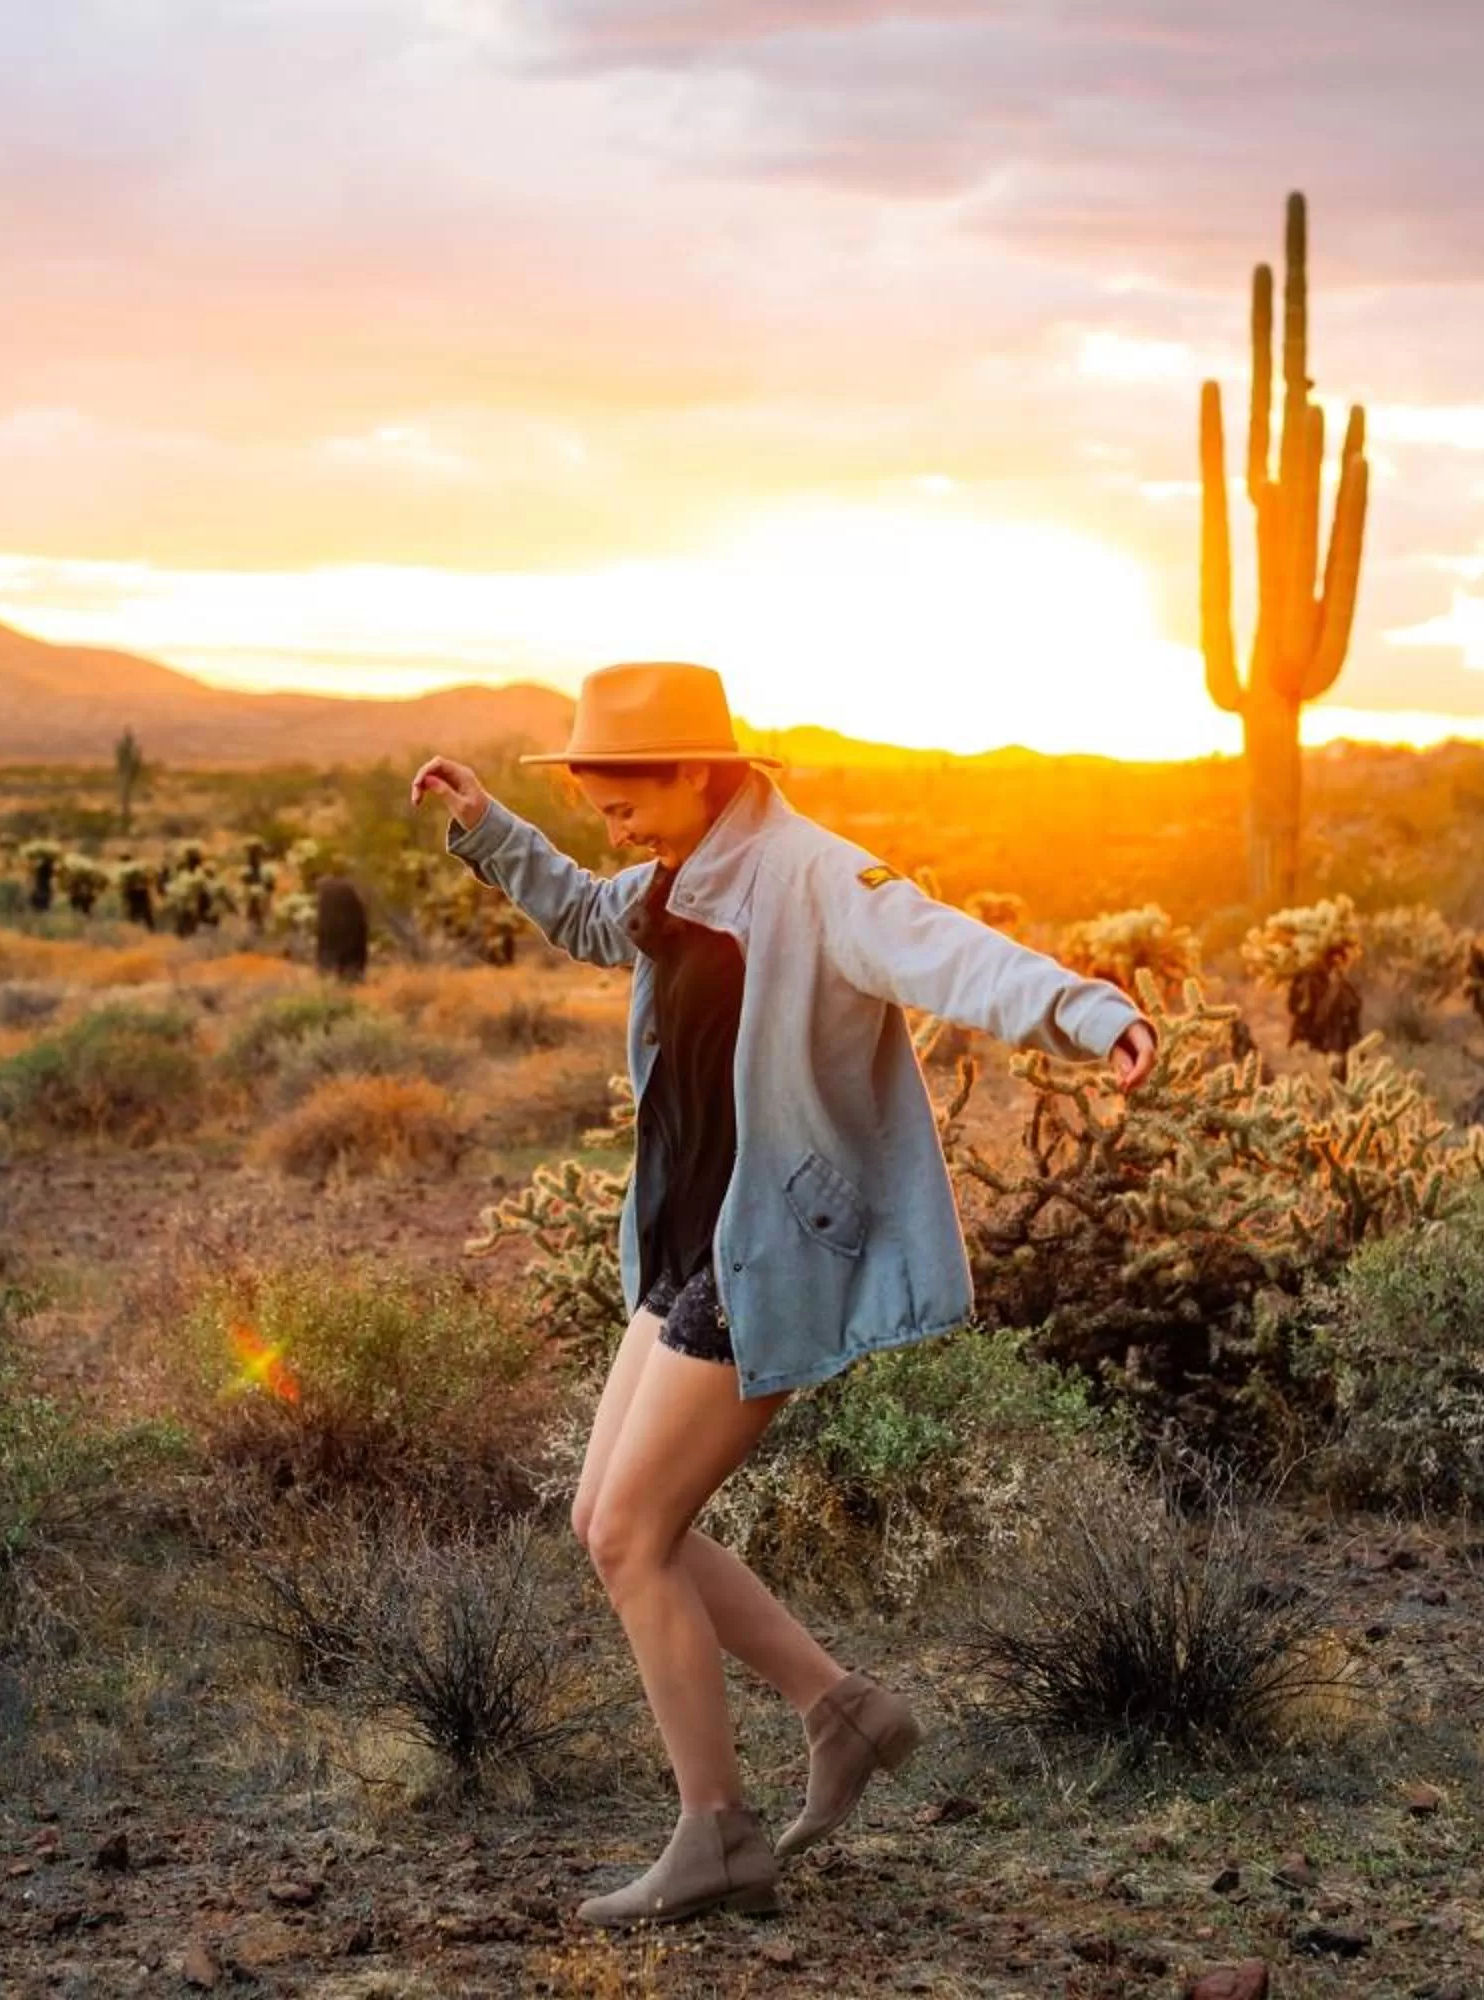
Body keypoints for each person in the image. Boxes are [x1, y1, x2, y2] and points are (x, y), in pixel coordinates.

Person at [410, 660, 1158, 1928]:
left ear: (699, 772)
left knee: (627, 1534)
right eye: (594, 801)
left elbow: (939, 947)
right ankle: (844, 1712)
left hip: (774, 1241)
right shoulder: (672, 870)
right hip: (687, 1237)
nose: (615, 823)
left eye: (624, 796)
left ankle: (717, 1833)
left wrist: (1081, 1009)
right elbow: (599, 920)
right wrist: (494, 832)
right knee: (612, 1512)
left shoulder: (810, 874)